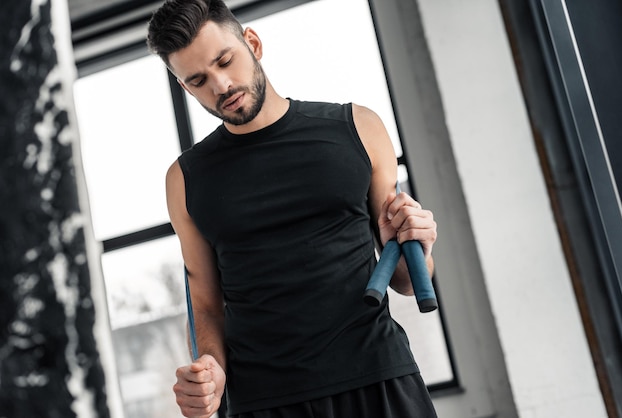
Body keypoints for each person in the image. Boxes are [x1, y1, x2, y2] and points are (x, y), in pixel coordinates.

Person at [146, 1, 438, 417]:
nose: (222, 85)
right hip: (264, 401)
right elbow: (206, 305)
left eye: (225, 61)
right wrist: (210, 367)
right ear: (185, 88)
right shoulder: (184, 179)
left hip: (378, 378)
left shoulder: (358, 129)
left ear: (253, 42)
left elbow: (409, 281)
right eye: (198, 80)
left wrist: (420, 246)